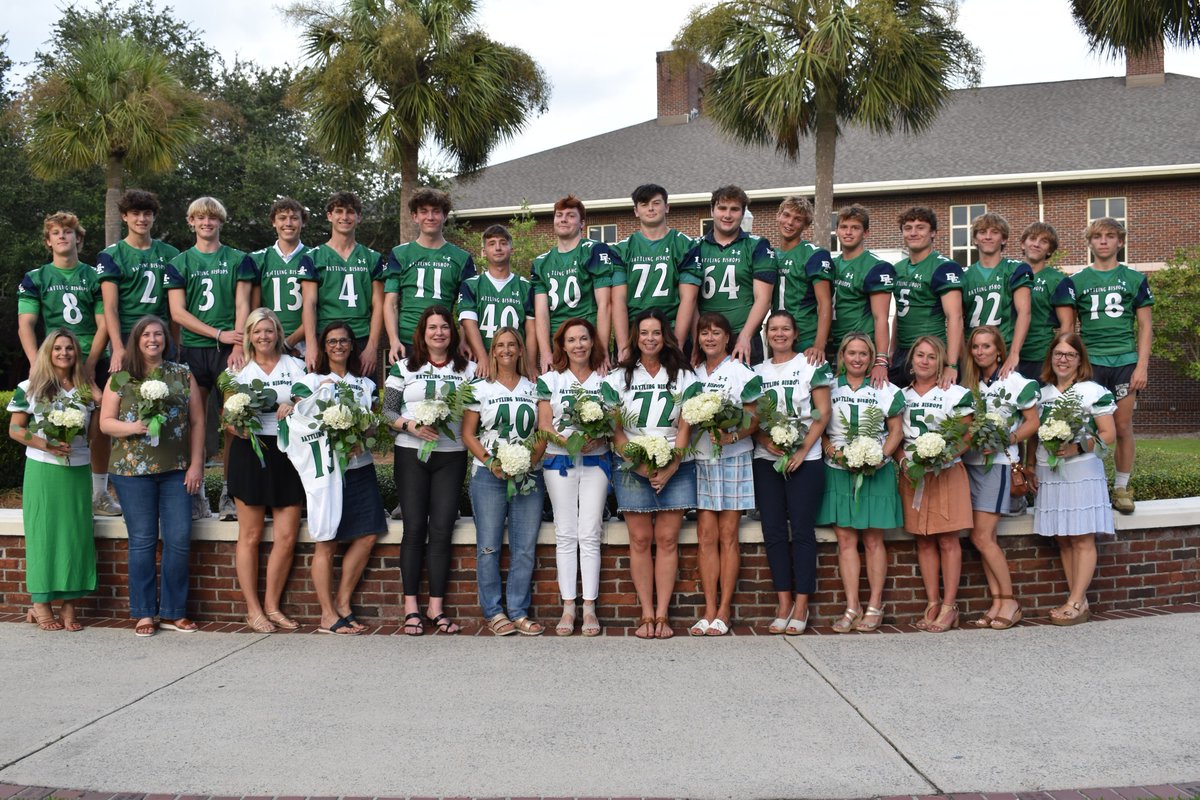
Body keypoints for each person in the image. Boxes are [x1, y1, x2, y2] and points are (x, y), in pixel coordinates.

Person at [100, 315, 205, 637]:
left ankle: (174, 612)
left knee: (178, 539)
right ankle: (145, 613)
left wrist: (196, 465)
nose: (153, 339)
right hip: (132, 472)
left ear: (166, 340)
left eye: (158, 334)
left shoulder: (182, 374)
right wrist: (133, 427)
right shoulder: (121, 378)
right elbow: (105, 422)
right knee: (143, 541)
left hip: (175, 471)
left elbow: (198, 422)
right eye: (146, 335)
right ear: (137, 340)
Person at [602, 309, 700, 639]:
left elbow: (687, 424)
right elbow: (614, 428)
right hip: (631, 462)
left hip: (676, 462)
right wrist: (639, 463)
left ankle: (663, 614)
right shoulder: (620, 375)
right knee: (641, 540)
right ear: (635, 337)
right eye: (644, 332)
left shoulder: (683, 374)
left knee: (668, 539)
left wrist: (672, 465)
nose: (650, 338)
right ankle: (646, 613)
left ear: (665, 336)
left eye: (656, 332)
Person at [383, 305, 476, 635]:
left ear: (453, 332)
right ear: (422, 333)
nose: (439, 333)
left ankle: (436, 607)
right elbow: (387, 411)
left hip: (451, 457)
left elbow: (476, 413)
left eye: (445, 327)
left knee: (441, 529)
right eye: (432, 327)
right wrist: (410, 425)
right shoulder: (403, 367)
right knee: (413, 529)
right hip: (411, 456)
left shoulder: (469, 369)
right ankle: (411, 608)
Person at [290, 322, 387, 635]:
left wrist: (363, 431)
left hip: (360, 466)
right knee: (326, 540)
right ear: (323, 345)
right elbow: (299, 417)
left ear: (351, 346)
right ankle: (327, 614)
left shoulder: (365, 383)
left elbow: (374, 424)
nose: (338, 346)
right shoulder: (310, 380)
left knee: (369, 534)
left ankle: (343, 603)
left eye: (344, 341)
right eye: (332, 341)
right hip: (326, 474)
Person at [164, 196, 257, 521]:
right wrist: (217, 334)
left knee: (233, 422)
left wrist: (237, 342)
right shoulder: (179, 262)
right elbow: (177, 312)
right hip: (193, 350)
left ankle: (229, 493)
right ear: (191, 222)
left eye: (212, 218)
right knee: (194, 423)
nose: (207, 223)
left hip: (228, 351)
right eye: (200, 218)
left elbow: (242, 303)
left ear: (220, 222)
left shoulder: (238, 259)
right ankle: (197, 493)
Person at [18, 212, 114, 517]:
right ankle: (59, 489)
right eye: (56, 233)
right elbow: (26, 324)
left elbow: (103, 324)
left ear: (79, 239)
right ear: (48, 241)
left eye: (68, 232)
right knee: (50, 422)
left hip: (90, 357)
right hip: (55, 359)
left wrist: (90, 365)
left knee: (99, 425)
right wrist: (37, 365)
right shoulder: (36, 277)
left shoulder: (93, 276)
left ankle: (99, 493)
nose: (62, 236)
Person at [8, 330, 99, 631]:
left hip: (78, 469)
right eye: (58, 348)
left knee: (76, 536)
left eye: (69, 348)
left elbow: (96, 431)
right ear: (48, 352)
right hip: (44, 469)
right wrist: (46, 444)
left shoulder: (86, 390)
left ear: (76, 353)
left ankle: (70, 606)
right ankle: (40, 602)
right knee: (44, 534)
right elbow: (16, 430)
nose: (64, 353)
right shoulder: (30, 387)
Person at [223, 308, 306, 633]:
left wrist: (296, 407)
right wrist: (234, 426)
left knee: (287, 536)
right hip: (251, 452)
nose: (263, 337)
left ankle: (273, 606)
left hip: (288, 453)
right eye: (257, 331)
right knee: (252, 535)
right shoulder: (237, 369)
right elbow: (227, 415)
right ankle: (253, 610)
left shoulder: (296, 366)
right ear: (249, 335)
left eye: (269, 331)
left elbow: (309, 404)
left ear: (278, 334)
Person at [816, 333, 905, 633]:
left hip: (875, 471)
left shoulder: (885, 389)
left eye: (863, 354)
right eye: (851, 353)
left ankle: (874, 604)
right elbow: (820, 424)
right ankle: (851, 605)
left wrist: (880, 457)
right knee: (846, 541)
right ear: (842, 355)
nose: (857, 358)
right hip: (838, 469)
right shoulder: (828, 386)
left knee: (872, 540)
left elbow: (896, 431)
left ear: (870, 358)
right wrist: (830, 449)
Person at [462, 327, 547, 636]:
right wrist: (491, 462)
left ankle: (519, 610)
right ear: (493, 351)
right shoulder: (480, 388)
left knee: (524, 547)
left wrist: (529, 461)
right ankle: (494, 611)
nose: (507, 350)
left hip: (528, 476)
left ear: (521, 350)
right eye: (500, 345)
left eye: (512, 344)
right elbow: (468, 434)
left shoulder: (534, 387)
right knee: (488, 546)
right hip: (489, 476)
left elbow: (542, 432)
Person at [752, 310, 832, 635]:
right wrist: (763, 440)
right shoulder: (756, 371)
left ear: (796, 334)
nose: (779, 334)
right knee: (772, 531)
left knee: (801, 531)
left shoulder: (811, 365)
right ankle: (783, 601)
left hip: (806, 459)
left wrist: (801, 450)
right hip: (766, 459)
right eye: (774, 329)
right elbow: (751, 420)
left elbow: (823, 413)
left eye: (786, 329)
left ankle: (802, 603)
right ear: (766, 334)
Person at [1033, 332, 1117, 625]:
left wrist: (1076, 447)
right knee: (1064, 538)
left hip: (1082, 471)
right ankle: (1078, 599)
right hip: (1050, 470)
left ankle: (1075, 601)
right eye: (1058, 354)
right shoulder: (1041, 394)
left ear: (1080, 359)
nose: (1063, 359)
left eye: (1070, 354)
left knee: (1081, 537)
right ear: (1051, 358)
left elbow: (1109, 434)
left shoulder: (1092, 391)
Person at [1071, 218, 1153, 514]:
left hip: (1124, 361)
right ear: (1090, 242)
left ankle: (1121, 486)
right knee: (1089, 425)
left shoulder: (1134, 278)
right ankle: (1088, 483)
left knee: (1121, 425)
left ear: (1120, 242)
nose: (1103, 241)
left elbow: (1145, 326)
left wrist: (1141, 366)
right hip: (1091, 363)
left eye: (1110, 236)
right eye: (1097, 237)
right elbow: (1069, 329)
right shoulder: (1077, 281)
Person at [962, 325, 1040, 630]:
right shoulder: (969, 383)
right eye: (976, 347)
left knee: (981, 536)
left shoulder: (1016, 382)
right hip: (970, 463)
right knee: (983, 538)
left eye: (987, 346)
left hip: (998, 465)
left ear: (999, 350)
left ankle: (1010, 601)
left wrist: (1009, 437)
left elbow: (1033, 422)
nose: (981, 352)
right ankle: (997, 601)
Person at [690, 312, 763, 636]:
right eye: (704, 333)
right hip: (702, 459)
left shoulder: (740, 372)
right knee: (706, 536)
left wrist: (730, 435)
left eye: (716, 333)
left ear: (727, 338)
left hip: (733, 459)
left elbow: (754, 419)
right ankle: (707, 609)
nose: (709, 338)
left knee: (728, 535)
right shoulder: (691, 373)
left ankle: (724, 609)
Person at [537, 317, 609, 637]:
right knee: (566, 533)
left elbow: (614, 425)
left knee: (590, 531)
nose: (578, 345)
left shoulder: (606, 379)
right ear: (562, 345)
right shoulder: (550, 380)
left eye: (583, 338)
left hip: (595, 462)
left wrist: (598, 438)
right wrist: (568, 442)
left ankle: (589, 607)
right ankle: (569, 606)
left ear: (592, 342)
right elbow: (544, 426)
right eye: (571, 340)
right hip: (559, 463)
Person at [898, 336, 975, 633]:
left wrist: (944, 456)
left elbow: (967, 435)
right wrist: (905, 461)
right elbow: (893, 436)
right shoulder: (899, 395)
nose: (925, 361)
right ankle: (932, 601)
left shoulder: (954, 393)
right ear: (911, 359)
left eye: (932, 356)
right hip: (914, 474)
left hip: (946, 473)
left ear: (941, 361)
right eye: (920, 355)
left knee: (947, 539)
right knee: (924, 539)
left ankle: (949, 606)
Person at [298, 191, 386, 377]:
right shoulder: (313, 258)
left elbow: (379, 304)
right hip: (326, 337)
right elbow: (309, 304)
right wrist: (312, 345)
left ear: (359, 217)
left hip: (360, 337)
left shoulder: (373, 258)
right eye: (339, 211)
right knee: (323, 398)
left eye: (350, 212)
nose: (344, 217)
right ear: (330, 216)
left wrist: (372, 347)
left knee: (365, 399)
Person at [385, 188, 476, 363]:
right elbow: (391, 302)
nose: (430, 217)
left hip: (443, 340)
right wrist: (393, 340)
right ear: (414, 216)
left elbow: (467, 307)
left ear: (445, 215)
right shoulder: (400, 254)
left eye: (436, 211)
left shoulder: (461, 258)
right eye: (424, 212)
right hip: (408, 340)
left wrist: (464, 340)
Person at [532, 195, 620, 372]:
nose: (563, 219)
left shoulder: (593, 250)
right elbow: (541, 312)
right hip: (558, 342)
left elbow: (605, 304)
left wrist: (601, 350)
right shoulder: (541, 262)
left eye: (571, 215)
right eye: (559, 215)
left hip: (587, 340)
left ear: (582, 224)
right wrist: (546, 352)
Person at [689, 185, 776, 366]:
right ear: (712, 210)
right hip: (707, 338)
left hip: (742, 336)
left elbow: (764, 299)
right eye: (722, 208)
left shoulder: (757, 246)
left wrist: (745, 336)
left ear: (743, 213)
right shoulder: (694, 247)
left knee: (749, 393)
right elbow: (690, 299)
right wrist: (697, 337)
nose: (727, 215)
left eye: (734, 209)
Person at [611, 184, 701, 357]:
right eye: (644, 204)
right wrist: (623, 347)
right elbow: (618, 300)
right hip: (634, 332)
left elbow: (689, 298)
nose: (650, 208)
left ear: (667, 207)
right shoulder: (621, 249)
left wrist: (678, 343)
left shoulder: (686, 245)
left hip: (671, 330)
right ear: (636, 211)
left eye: (656, 203)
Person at [96, 189, 180, 373]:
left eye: (147, 214)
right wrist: (117, 347)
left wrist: (175, 341)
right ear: (124, 216)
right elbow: (110, 307)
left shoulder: (170, 254)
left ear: (154, 217)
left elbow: (174, 306)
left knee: (168, 389)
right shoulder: (111, 255)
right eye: (135, 213)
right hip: (128, 332)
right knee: (128, 392)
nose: (142, 219)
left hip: (160, 332)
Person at [891, 207, 964, 388]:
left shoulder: (943, 267)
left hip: (931, 353)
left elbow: (955, 317)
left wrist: (952, 364)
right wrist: (891, 349)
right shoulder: (897, 268)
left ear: (933, 233)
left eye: (920, 227)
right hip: (903, 352)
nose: (913, 233)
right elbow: (899, 313)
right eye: (908, 228)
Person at [457, 224, 537, 377]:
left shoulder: (525, 287)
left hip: (515, 364)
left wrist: (531, 364)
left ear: (511, 250)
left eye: (503, 243)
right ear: (484, 252)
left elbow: (531, 330)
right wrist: (483, 357)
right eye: (492, 244)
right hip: (480, 362)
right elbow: (469, 323)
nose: (498, 248)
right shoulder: (471, 285)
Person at [829, 206, 894, 386]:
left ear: (866, 232)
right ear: (837, 230)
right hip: (834, 347)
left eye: (855, 227)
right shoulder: (831, 264)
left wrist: (881, 360)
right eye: (844, 227)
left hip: (861, 350)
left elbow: (881, 317)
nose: (848, 232)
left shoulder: (876, 266)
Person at [963, 212, 1032, 375]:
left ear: (1004, 239)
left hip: (1003, 351)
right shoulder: (963, 275)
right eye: (982, 232)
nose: (988, 237)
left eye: (994, 232)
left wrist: (1014, 354)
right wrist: (962, 356)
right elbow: (957, 318)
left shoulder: (1015, 269)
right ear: (974, 239)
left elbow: (1025, 312)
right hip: (973, 353)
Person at [773, 196, 833, 361]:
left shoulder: (814, 255)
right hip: (778, 337)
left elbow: (825, 303)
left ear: (806, 225)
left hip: (805, 337)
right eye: (786, 215)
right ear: (778, 216)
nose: (790, 222)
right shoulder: (772, 255)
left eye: (797, 219)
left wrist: (819, 346)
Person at [249, 198, 310, 355]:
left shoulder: (315, 257)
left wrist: (290, 342)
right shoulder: (257, 259)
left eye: (294, 218)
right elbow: (254, 309)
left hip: (306, 342)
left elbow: (319, 308)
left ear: (303, 222)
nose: (288, 223)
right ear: (273, 222)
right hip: (267, 341)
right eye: (282, 218)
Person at [1015, 222, 1075, 381]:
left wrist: (1057, 358)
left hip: (1040, 356)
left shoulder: (1057, 280)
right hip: (1006, 353)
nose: (1036, 244)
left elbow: (1067, 325)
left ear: (1050, 249)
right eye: (1032, 238)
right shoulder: (1008, 273)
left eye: (1044, 241)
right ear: (1023, 243)